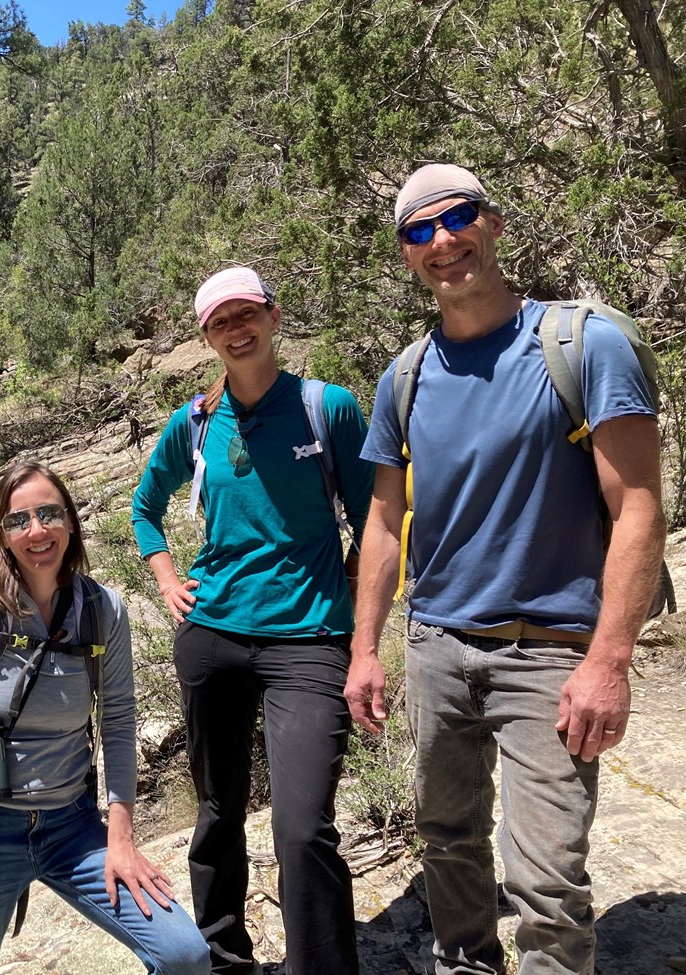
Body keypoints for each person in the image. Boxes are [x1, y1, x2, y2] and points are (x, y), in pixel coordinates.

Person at [345, 163, 667, 975]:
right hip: (436, 649)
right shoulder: (405, 376)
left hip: (552, 652)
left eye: (456, 219)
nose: (442, 242)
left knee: (546, 882)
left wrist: (610, 660)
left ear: (493, 222)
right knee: (447, 846)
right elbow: (384, 521)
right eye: (419, 231)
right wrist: (363, 651)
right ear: (407, 254)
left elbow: (638, 507)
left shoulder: (581, 343)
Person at [132, 266, 374, 975]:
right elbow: (145, 507)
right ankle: (222, 957)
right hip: (215, 635)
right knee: (217, 809)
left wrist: (353, 602)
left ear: (273, 315)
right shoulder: (197, 421)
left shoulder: (327, 408)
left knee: (302, 827)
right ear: (206, 337)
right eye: (219, 323)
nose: (236, 331)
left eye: (246, 315)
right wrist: (169, 578)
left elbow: (377, 521)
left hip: (309, 640)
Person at [0, 460, 211, 975]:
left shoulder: (102, 611)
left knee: (185, 957)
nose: (36, 531)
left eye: (49, 514)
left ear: (71, 521)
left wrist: (121, 838)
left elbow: (119, 721)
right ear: (2, 533)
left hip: (72, 827)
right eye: (19, 520)